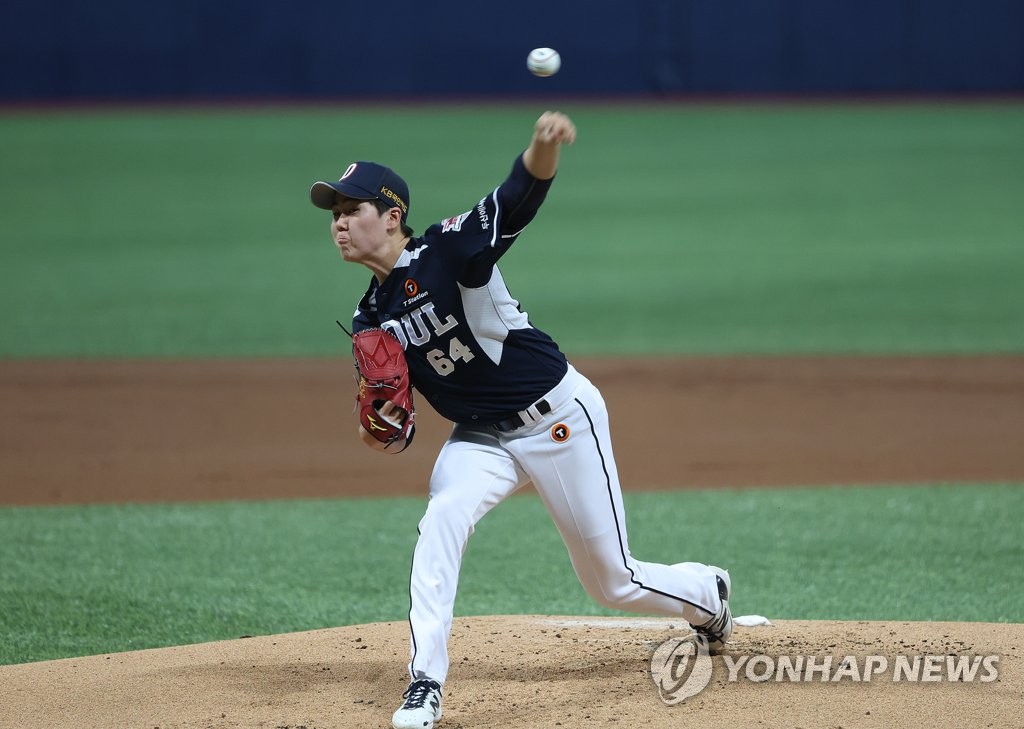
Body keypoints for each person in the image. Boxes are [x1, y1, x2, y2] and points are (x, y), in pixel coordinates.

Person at [309, 111, 733, 729]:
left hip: (557, 418)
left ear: (392, 215)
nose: (339, 223)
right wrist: (382, 429)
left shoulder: (449, 250)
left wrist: (542, 146)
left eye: (351, 209)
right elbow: (387, 424)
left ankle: (706, 596)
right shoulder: (370, 315)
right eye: (334, 213)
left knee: (612, 583)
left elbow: (518, 197)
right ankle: (425, 682)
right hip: (481, 437)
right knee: (441, 520)